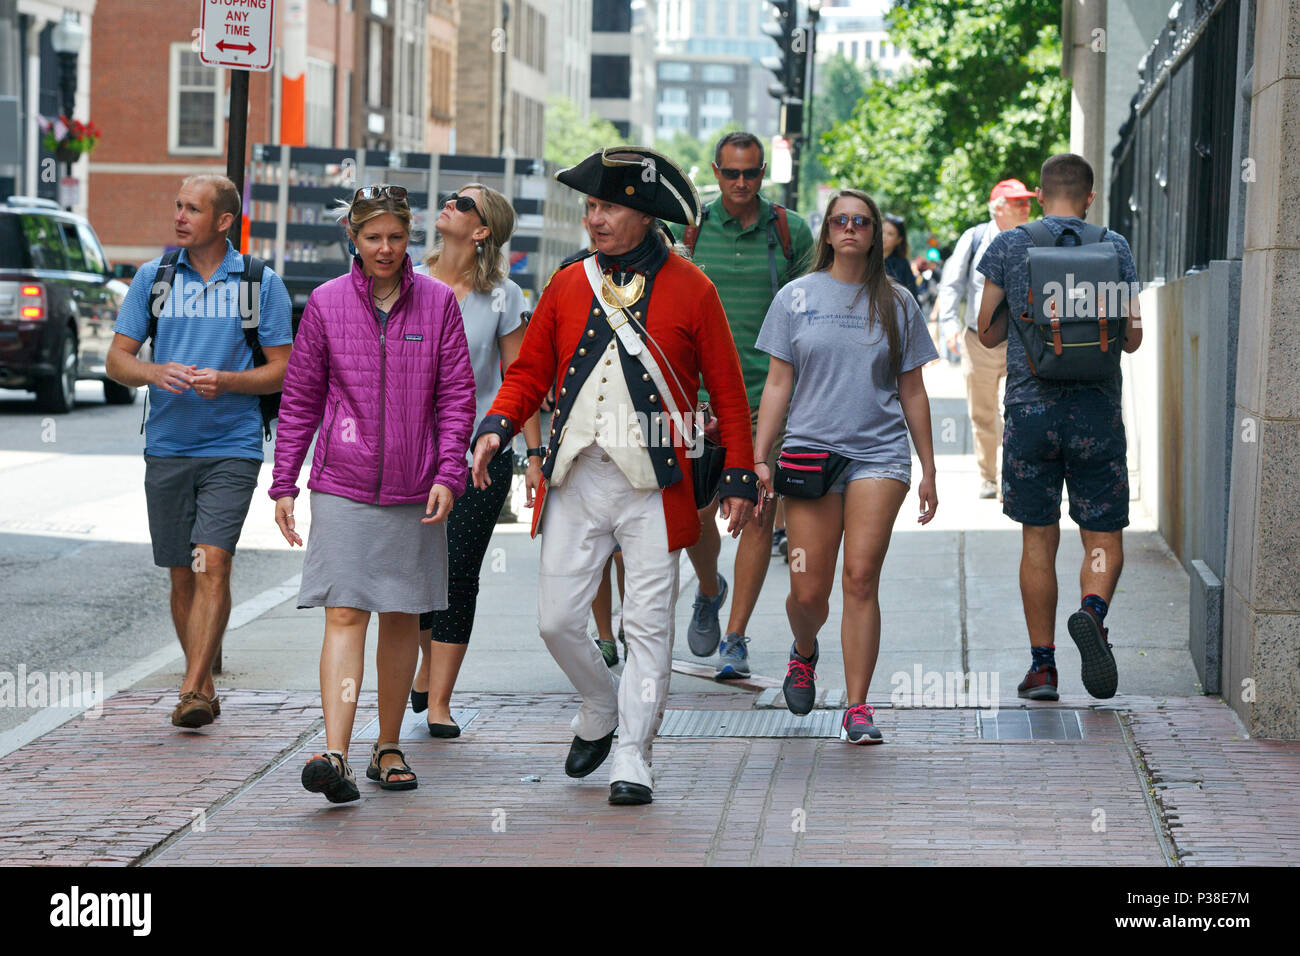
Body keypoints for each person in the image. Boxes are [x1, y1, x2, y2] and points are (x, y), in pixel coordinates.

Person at [470, 146, 759, 805]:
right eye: (591, 206)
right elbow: (529, 374)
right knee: (554, 622)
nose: (593, 219)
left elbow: (729, 392)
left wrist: (740, 474)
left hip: (656, 486)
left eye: (607, 207)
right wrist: (497, 425)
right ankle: (601, 703)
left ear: (644, 214)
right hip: (577, 477)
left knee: (648, 626)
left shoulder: (694, 288)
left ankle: (634, 754)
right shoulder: (570, 283)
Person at [270, 184, 476, 802]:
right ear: (353, 240)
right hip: (343, 482)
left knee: (401, 617)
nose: (385, 248)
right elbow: (301, 398)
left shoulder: (438, 304)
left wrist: (447, 474)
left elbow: (456, 398)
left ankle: (387, 745)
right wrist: (283, 482)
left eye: (395, 236)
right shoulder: (328, 304)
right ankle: (334, 752)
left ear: (409, 236)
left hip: (416, 488)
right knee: (343, 611)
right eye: (371, 237)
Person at [106, 174, 292, 729]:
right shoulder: (154, 278)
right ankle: (204, 685)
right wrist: (153, 371)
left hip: (231, 446)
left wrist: (229, 382)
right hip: (167, 444)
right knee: (182, 574)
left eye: (192, 208)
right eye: (178, 206)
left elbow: (284, 370)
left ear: (224, 221)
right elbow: (117, 361)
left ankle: (188, 688)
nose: (180, 216)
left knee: (213, 560)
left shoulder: (260, 283)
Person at [754, 188, 939, 744]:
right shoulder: (796, 297)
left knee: (860, 577)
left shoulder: (897, 302)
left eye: (862, 221)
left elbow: (913, 390)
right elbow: (778, 382)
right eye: (841, 221)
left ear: (875, 231)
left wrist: (929, 468)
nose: (851, 229)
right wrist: (759, 458)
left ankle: (858, 708)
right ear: (828, 232)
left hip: (879, 456)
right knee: (809, 591)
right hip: (810, 453)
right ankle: (804, 650)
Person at [975, 153, 1142, 702]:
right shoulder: (1114, 247)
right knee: (1101, 534)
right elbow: (1133, 336)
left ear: (1041, 197)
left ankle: (1042, 667)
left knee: (1037, 540)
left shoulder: (1009, 245)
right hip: (1096, 412)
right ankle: (1092, 613)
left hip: (1031, 414)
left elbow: (986, 333)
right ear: (1090, 197)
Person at [670, 130, 814, 679]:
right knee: (693, 514)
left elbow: (809, 313)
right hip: (695, 400)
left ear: (762, 174)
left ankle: (735, 636)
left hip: (766, 399)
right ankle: (709, 587)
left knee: (757, 513)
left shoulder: (789, 230)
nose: (741, 183)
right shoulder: (690, 228)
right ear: (715, 171)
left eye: (751, 173)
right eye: (731, 173)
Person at [406, 183, 543, 736]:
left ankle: (439, 702)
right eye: (449, 198)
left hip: (479, 458)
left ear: (482, 229)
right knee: (415, 576)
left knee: (458, 572)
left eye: (463, 204)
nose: (448, 205)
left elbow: (520, 380)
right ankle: (423, 664)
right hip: (410, 455)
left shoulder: (505, 297)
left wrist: (535, 453)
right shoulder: (408, 282)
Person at [937, 178, 1035, 499]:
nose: (1026, 206)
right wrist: (949, 325)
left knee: (1021, 410)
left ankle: (1015, 475)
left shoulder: (1035, 238)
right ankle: (988, 476)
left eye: (1027, 200)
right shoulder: (975, 237)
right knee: (982, 412)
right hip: (978, 341)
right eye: (1017, 201)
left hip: (1022, 340)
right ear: (998, 208)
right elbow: (951, 284)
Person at [882, 213, 919, 302]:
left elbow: (912, 297)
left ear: (899, 240)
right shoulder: (863, 259)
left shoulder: (902, 264)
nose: (883, 236)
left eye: (890, 234)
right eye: (882, 231)